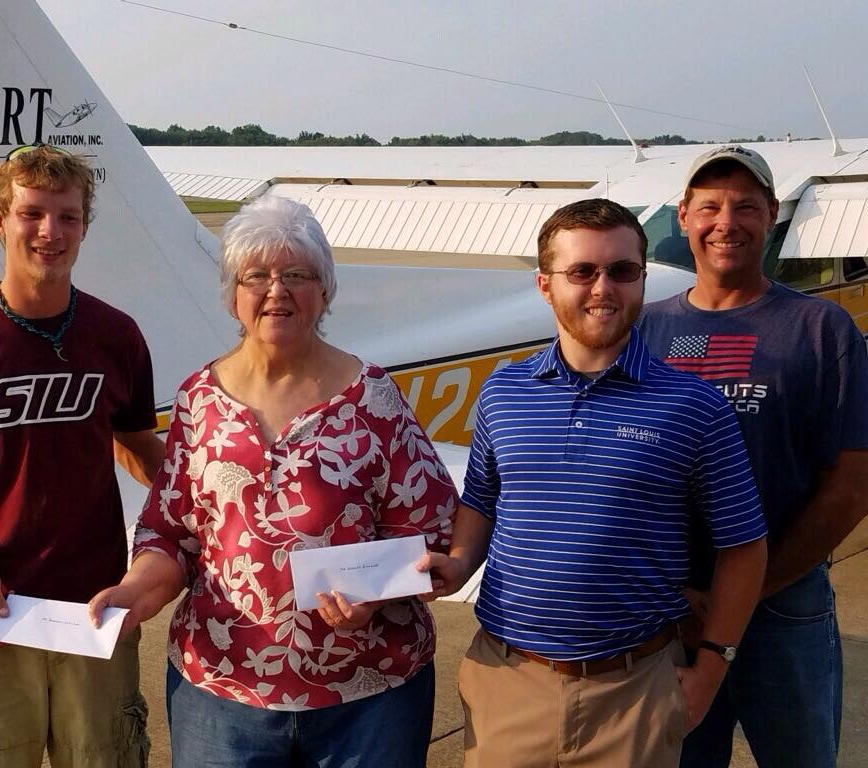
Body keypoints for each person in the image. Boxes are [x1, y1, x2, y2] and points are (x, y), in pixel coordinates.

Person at [88, 195, 457, 768]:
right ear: (233, 294)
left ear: (324, 291)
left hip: (368, 697)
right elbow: (171, 533)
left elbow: (431, 531)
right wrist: (135, 591)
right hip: (222, 693)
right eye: (255, 275)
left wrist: (376, 594)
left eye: (297, 275)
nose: (276, 290)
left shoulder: (372, 399)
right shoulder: (199, 401)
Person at [419, 198, 768, 768]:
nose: (603, 288)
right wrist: (458, 564)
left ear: (642, 280)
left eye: (622, 271)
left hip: (634, 690)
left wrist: (710, 669)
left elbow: (745, 547)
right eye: (582, 271)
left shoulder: (694, 406)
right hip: (507, 680)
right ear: (545, 285)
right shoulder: (503, 393)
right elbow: (482, 500)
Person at [0, 144, 165, 768]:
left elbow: (137, 445)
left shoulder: (116, 336)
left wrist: (217, 503)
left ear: (84, 227)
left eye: (68, 217)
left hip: (94, 610)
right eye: (32, 214)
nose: (51, 232)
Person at [639, 145, 868, 768]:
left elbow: (852, 485)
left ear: (771, 214)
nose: (726, 222)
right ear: (683, 216)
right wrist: (684, 597)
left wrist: (747, 592)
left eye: (745, 206)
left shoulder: (821, 328)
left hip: (784, 603)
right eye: (709, 206)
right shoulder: (644, 329)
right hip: (673, 610)